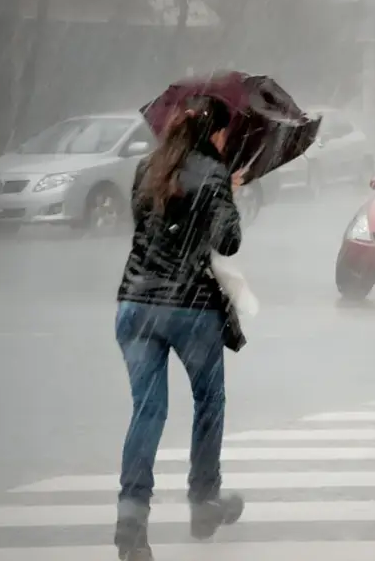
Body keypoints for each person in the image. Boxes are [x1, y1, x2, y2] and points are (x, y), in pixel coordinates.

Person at [114, 95, 246, 561]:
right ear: (217, 133)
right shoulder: (213, 172)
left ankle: (131, 517)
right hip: (190, 308)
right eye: (226, 134)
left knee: (147, 412)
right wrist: (228, 190)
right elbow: (227, 241)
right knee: (209, 401)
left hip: (134, 305)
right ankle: (203, 501)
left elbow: (148, 225)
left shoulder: (147, 167)